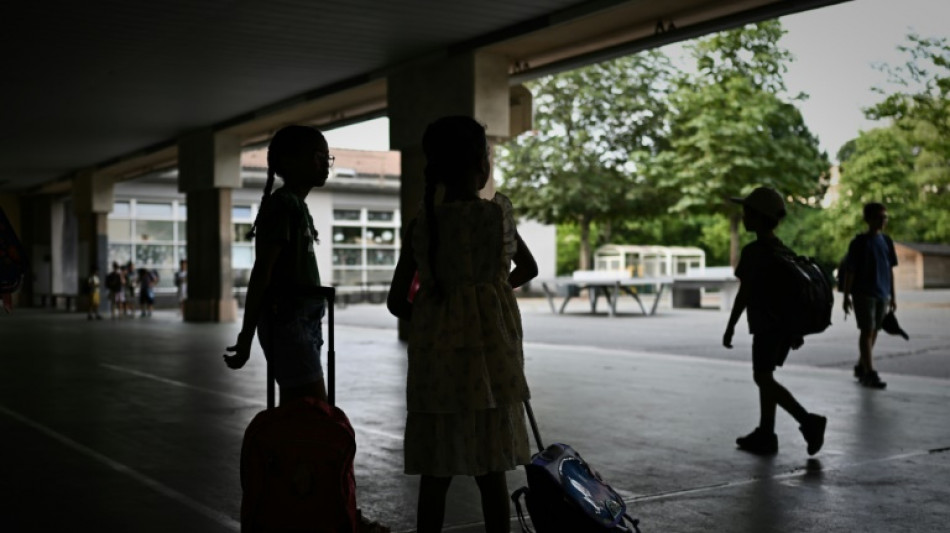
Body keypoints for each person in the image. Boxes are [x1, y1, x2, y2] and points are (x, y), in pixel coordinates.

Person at [387, 116, 538, 533]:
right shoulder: (495, 218)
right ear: (482, 164)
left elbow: (396, 301)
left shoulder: (423, 225)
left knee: (435, 474)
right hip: (492, 366)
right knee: (492, 473)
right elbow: (528, 268)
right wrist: (494, 292)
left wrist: (436, 318)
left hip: (438, 370)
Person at [223, 125, 332, 405]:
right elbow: (262, 271)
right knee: (314, 408)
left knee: (297, 409)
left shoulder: (297, 206)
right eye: (318, 157)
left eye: (327, 158)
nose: (325, 165)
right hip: (288, 321)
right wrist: (246, 336)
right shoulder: (282, 206)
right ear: (289, 161)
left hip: (303, 320)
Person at [722, 186, 827, 456]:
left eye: (747, 212)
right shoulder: (783, 250)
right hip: (781, 327)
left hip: (766, 326)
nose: (744, 217)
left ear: (759, 217)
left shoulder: (754, 252)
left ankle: (808, 421)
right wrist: (795, 330)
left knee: (762, 377)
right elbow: (792, 294)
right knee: (766, 375)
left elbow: (744, 294)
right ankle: (766, 433)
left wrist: (731, 326)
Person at [842, 202, 897, 389]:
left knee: (874, 331)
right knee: (867, 330)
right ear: (868, 219)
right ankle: (869, 372)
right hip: (863, 293)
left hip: (882, 293)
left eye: (885, 217)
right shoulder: (859, 243)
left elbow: (890, 270)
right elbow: (850, 271)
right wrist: (846, 296)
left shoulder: (887, 242)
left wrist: (893, 296)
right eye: (879, 217)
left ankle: (861, 366)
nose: (883, 221)